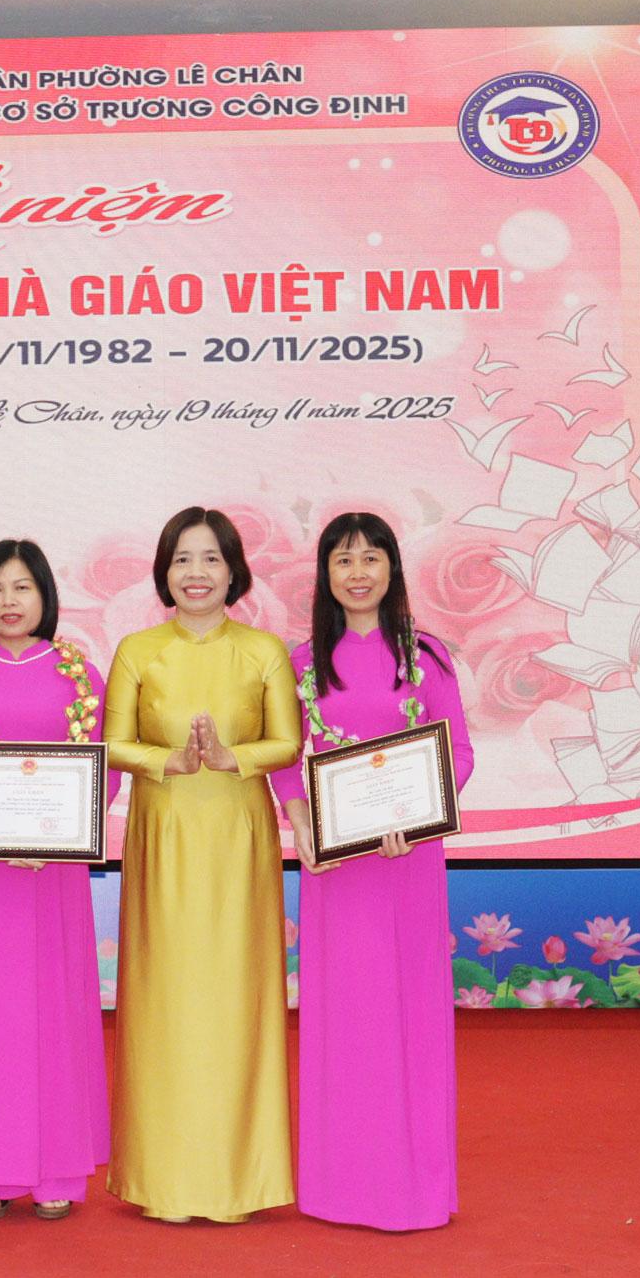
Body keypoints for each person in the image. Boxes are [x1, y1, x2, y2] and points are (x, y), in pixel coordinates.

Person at [271, 511, 475, 1232]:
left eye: (371, 558)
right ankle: (340, 1186)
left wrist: (414, 817)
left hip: (407, 863)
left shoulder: (427, 655)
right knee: (347, 1020)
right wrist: (301, 822)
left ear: (392, 567)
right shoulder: (301, 663)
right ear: (324, 573)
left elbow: (460, 753)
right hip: (336, 869)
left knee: (410, 1016)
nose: (357, 573)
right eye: (343, 560)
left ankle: (413, 1188)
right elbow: (285, 761)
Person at [103, 506, 300, 1223]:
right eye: (182, 559)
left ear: (233, 570)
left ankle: (236, 1181)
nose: (196, 572)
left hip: (239, 837)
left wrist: (230, 756)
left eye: (211, 558)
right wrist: (169, 760)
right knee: (165, 997)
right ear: (164, 571)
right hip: (163, 835)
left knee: (235, 996)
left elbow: (288, 743)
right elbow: (111, 744)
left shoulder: (264, 651)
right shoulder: (137, 650)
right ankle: (161, 1178)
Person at [0, 540, 115, 1221]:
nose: (9, 601)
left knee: (56, 1015)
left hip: (53, 873)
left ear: (45, 597)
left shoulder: (79, 673)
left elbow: (102, 773)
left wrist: (56, 840)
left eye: (22, 587)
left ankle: (59, 1168)